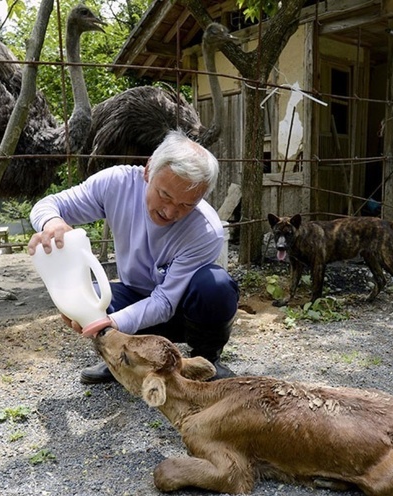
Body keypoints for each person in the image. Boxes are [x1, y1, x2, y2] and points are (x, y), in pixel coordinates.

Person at [28, 130, 240, 384]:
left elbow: (163, 302)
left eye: (187, 205)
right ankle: (119, 359)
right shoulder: (116, 184)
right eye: (165, 195)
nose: (171, 211)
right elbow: (48, 205)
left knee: (215, 285)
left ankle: (206, 360)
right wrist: (52, 223)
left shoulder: (206, 231)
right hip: (133, 294)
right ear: (149, 169)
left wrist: (111, 324)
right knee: (90, 296)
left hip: (184, 310)